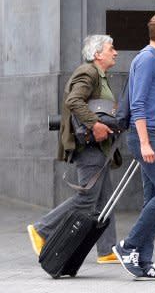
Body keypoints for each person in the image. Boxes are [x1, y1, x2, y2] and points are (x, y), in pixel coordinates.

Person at [27, 35, 120, 264]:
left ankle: (107, 249)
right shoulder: (87, 72)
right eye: (111, 48)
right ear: (98, 54)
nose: (115, 52)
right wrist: (95, 124)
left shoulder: (101, 75)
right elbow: (74, 101)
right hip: (89, 147)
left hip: (100, 147)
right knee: (87, 198)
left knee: (104, 199)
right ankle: (42, 229)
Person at [113, 12, 155, 281]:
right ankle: (128, 247)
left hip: (154, 137)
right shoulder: (148, 60)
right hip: (147, 137)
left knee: (153, 198)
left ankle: (145, 261)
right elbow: (137, 104)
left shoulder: (151, 59)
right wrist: (145, 142)